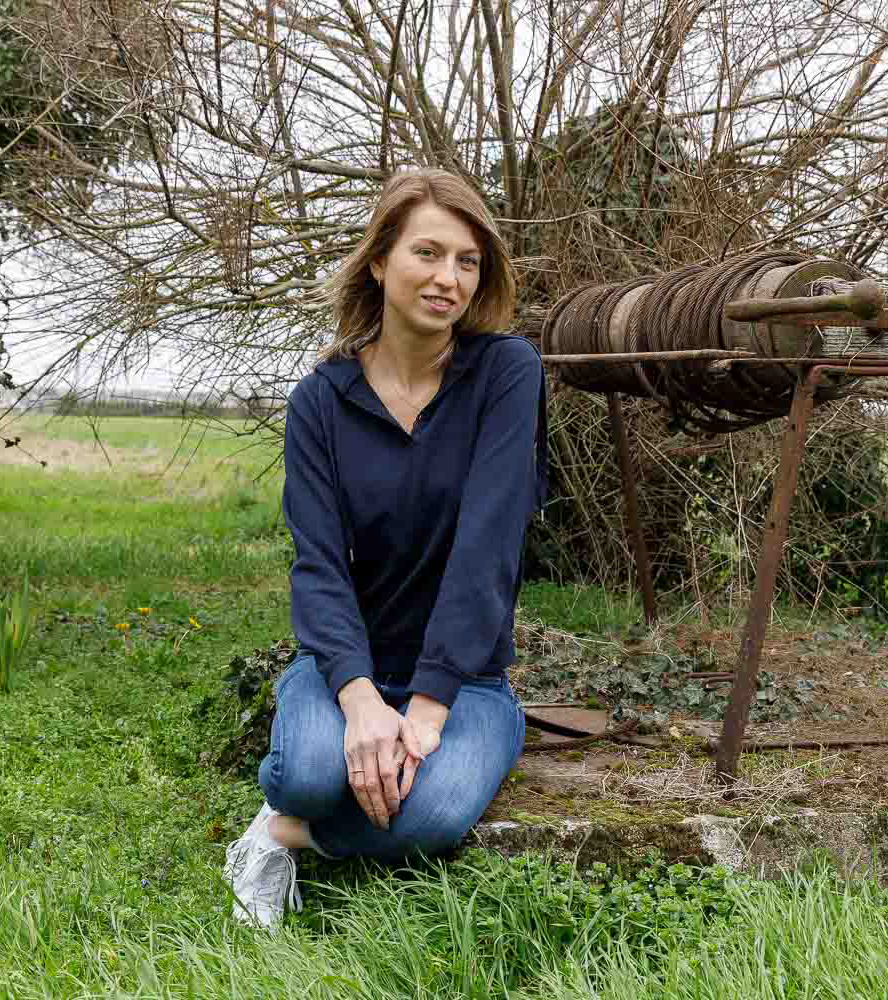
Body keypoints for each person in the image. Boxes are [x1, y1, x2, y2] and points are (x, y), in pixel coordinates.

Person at [222, 167, 549, 929]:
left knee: (431, 817)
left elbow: (487, 549)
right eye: (428, 254)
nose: (449, 278)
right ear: (379, 261)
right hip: (345, 669)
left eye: (468, 262)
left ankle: (280, 836)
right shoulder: (318, 403)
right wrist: (361, 701)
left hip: (466, 683)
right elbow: (319, 567)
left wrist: (428, 709)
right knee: (306, 773)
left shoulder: (506, 373)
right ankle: (297, 804)